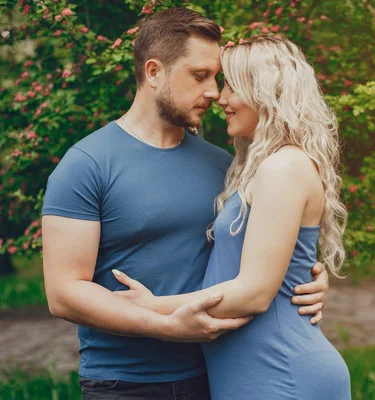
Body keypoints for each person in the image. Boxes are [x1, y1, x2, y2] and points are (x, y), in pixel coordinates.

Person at [41, 8, 329, 400]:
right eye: (199, 76)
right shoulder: (86, 165)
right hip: (126, 382)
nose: (213, 91)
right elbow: (63, 293)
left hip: (219, 372)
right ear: (154, 72)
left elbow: (259, 257)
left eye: (217, 78)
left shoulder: (226, 166)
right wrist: (163, 324)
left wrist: (307, 279)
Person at [113, 36, 351, 400]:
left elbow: (254, 293)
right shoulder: (258, 168)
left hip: (280, 371)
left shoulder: (283, 167)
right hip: (253, 371)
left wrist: (151, 308)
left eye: (232, 87)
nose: (220, 98)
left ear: (268, 94)